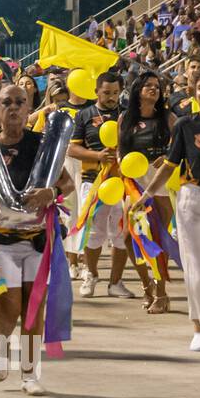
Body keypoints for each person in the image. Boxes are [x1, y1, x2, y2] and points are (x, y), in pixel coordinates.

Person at [0, 83, 73, 395]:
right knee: (8, 303)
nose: (13, 108)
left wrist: (52, 192)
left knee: (34, 308)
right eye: (6, 102)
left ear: (28, 107)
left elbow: (67, 184)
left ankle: (30, 373)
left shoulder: (42, 145)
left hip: (37, 240)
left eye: (19, 102)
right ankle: (2, 344)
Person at [133, 65, 200, 351]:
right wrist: (149, 193)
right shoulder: (185, 125)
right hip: (193, 199)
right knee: (198, 268)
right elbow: (170, 163)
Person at [68, 71, 136, 299]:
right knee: (93, 232)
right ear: (96, 91)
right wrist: (97, 155)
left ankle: (116, 282)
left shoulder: (127, 115)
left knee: (121, 232)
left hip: (123, 182)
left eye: (115, 93)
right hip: (93, 181)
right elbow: (72, 148)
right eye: (106, 92)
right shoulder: (84, 115)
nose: (111, 97)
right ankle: (91, 274)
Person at [117, 68, 170, 311]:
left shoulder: (168, 119)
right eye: (149, 85)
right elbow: (120, 150)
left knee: (157, 238)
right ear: (138, 89)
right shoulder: (124, 119)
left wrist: (168, 157)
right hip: (133, 183)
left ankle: (161, 293)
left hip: (159, 183)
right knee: (130, 237)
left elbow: (179, 146)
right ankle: (146, 285)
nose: (153, 89)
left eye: (157, 87)